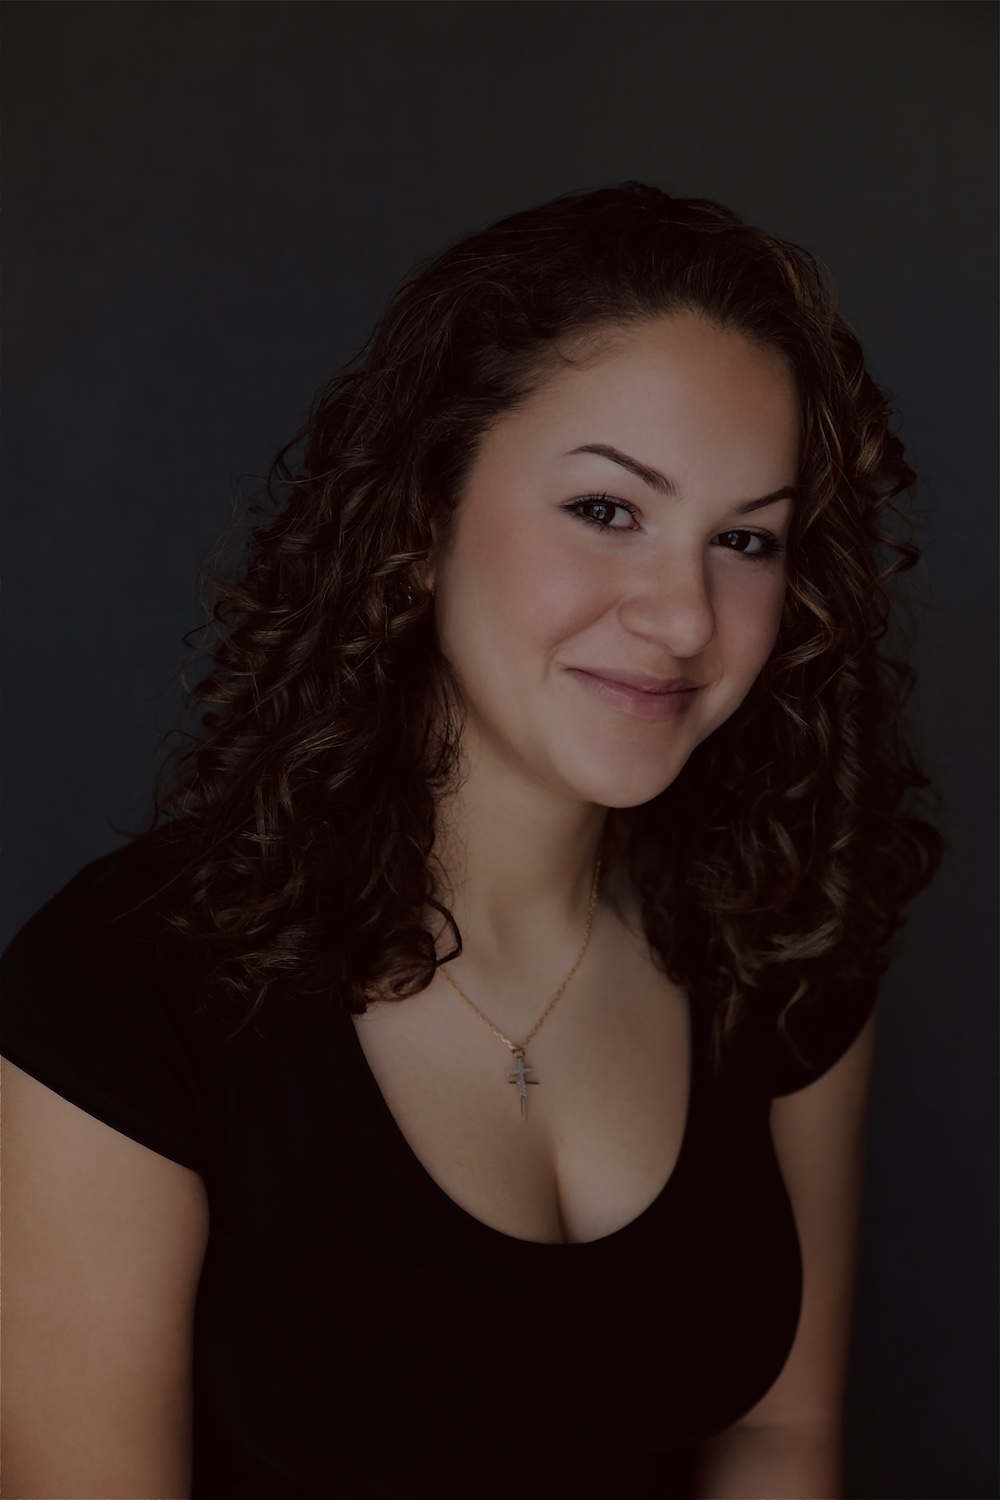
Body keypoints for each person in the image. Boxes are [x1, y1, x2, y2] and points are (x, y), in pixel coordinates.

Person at [1, 183, 942, 1500]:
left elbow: (781, 1434)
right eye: (608, 509)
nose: (682, 616)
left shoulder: (784, 935)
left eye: (745, 540)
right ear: (425, 508)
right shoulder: (117, 995)